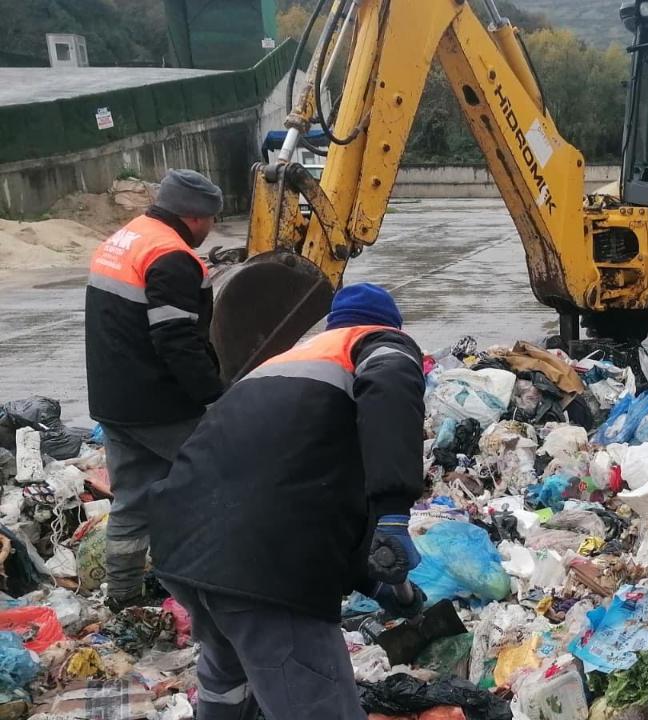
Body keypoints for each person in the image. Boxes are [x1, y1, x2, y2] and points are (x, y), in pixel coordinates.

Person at [149, 283, 427, 720]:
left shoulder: (280, 364)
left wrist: (374, 581)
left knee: (228, 682)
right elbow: (391, 387)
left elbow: (302, 492)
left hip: (183, 551)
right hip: (262, 568)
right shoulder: (377, 344)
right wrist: (394, 512)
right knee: (317, 704)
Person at [84, 169, 225, 611]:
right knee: (224, 479)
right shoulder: (173, 256)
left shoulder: (126, 238)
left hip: (114, 401)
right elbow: (176, 339)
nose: (210, 229)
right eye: (210, 220)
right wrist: (215, 396)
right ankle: (215, 584)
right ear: (195, 216)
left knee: (133, 501)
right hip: (159, 404)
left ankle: (123, 599)